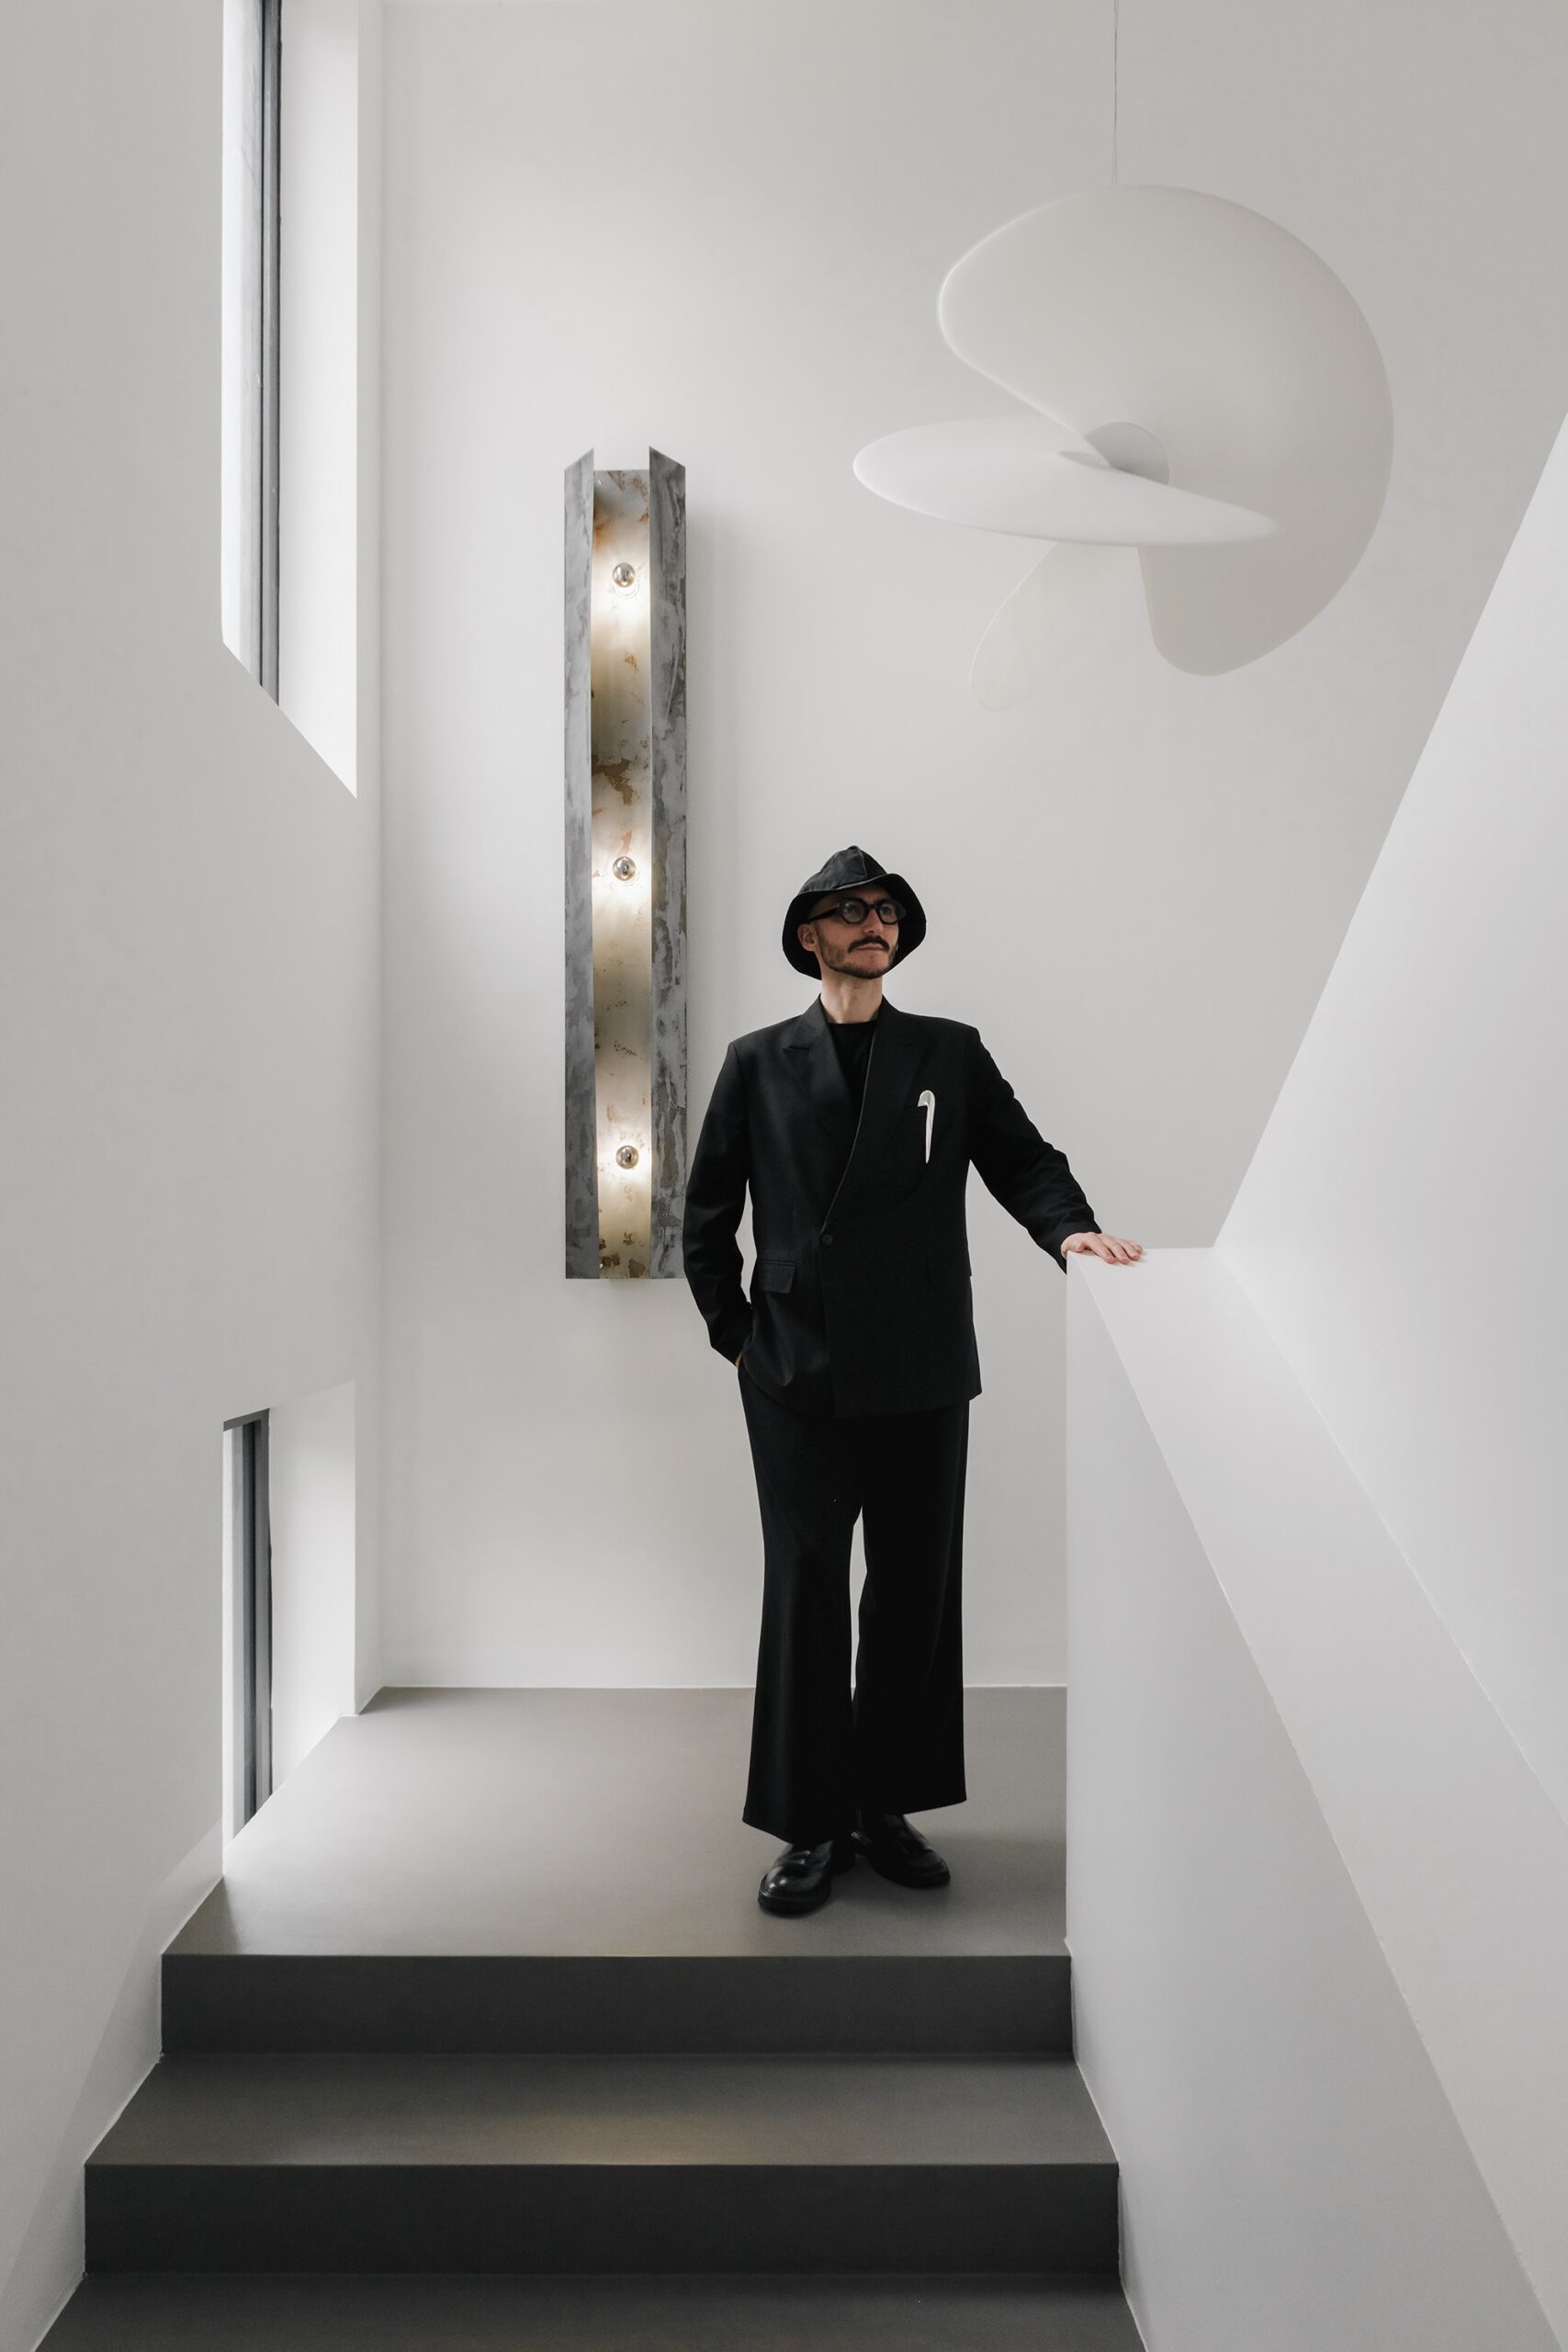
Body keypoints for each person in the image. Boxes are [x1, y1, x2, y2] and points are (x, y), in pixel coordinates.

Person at [682, 845, 1143, 1917]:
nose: (872, 922)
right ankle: (809, 1821)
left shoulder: (949, 1051)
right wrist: (738, 1338)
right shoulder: (756, 1062)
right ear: (810, 936)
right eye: (850, 910)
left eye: (885, 909)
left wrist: (1070, 1231)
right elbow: (705, 1217)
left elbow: (1024, 1158)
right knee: (805, 1589)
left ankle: (882, 1805)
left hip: (923, 1364)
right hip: (793, 1370)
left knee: (913, 1592)